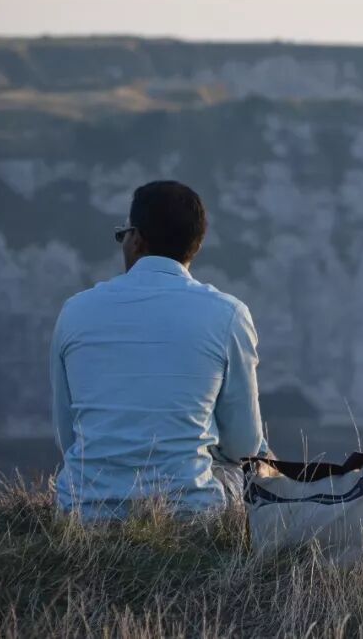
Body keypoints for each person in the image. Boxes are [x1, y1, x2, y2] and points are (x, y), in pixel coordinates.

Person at [50, 180, 267, 520]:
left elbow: (67, 435)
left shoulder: (75, 311)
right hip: (189, 516)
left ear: (136, 239)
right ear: (194, 246)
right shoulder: (229, 315)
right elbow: (244, 446)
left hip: (83, 512)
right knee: (261, 457)